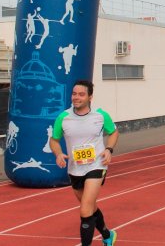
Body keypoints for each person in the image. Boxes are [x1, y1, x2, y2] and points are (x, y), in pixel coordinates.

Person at [50, 80, 119, 246]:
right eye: (74, 94)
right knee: (90, 207)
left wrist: (109, 149)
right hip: (75, 169)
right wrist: (58, 153)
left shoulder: (101, 115)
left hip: (96, 165)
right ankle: (107, 234)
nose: (76, 97)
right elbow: (54, 140)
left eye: (81, 94)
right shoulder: (63, 117)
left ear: (90, 97)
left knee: (85, 209)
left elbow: (114, 132)